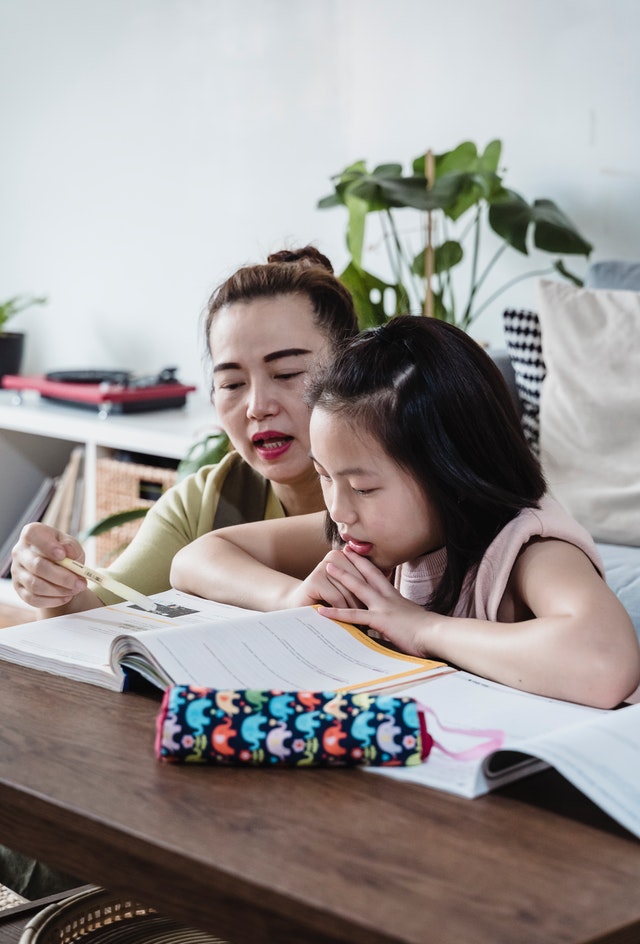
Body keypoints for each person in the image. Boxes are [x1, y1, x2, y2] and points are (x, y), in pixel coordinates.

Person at [170, 315, 640, 709]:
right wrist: (290, 600)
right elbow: (197, 558)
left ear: (452, 472)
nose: (338, 509)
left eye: (363, 486)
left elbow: (604, 663)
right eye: (325, 476)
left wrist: (422, 627)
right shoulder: (366, 533)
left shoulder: (529, 546)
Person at [10, 246, 359, 616]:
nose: (258, 407)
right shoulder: (204, 504)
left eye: (287, 374)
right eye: (232, 384)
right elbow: (96, 613)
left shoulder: (405, 494)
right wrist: (55, 583)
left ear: (352, 371)